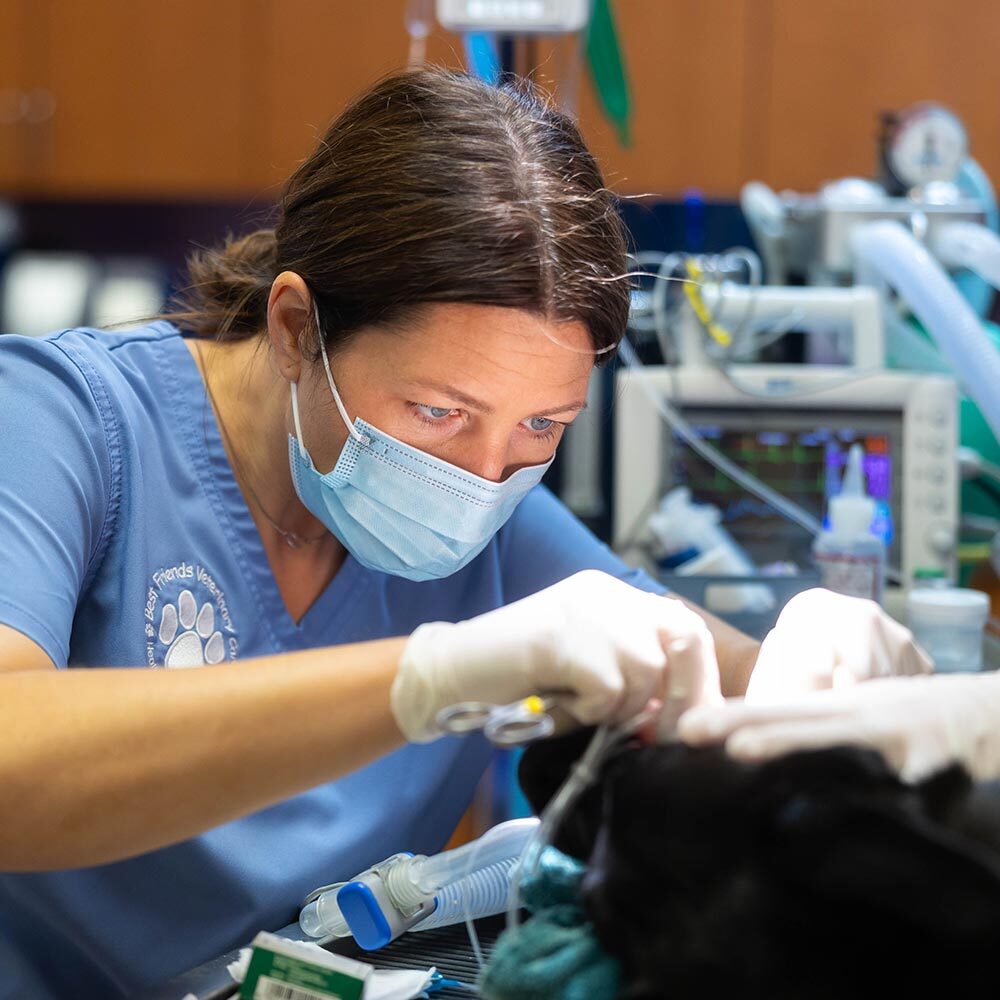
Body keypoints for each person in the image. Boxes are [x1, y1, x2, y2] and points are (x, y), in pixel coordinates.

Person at [0, 68, 923, 999]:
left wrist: (821, 666)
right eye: (439, 410)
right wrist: (430, 679)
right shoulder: (63, 424)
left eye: (542, 426)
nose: (483, 479)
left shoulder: (494, 530)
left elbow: (712, 669)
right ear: (293, 328)